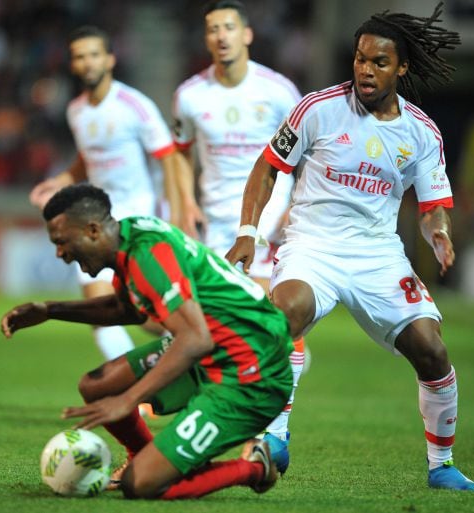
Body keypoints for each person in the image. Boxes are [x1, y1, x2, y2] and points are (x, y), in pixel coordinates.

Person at [226, 3, 474, 491]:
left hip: (377, 254)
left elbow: (432, 207)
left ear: (401, 67)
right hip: (312, 246)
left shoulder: (421, 133)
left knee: (431, 350)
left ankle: (442, 464)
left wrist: (440, 234)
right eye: (360, 59)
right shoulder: (318, 108)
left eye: (379, 62)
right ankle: (274, 436)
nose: (365, 70)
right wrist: (247, 232)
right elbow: (266, 167)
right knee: (284, 316)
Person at [0, 184, 294, 499]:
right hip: (216, 350)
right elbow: (126, 309)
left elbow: (193, 339)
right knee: (97, 386)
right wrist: (49, 310)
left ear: (93, 230)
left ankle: (254, 467)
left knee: (140, 485)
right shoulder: (130, 237)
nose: (60, 253)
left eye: (61, 242)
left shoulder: (147, 255)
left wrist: (128, 401)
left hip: (252, 375)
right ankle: (148, 456)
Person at [169, 0, 304, 473]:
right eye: (212, 29)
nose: (221, 35)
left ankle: (274, 433)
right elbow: (181, 154)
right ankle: (216, 421)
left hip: (269, 223)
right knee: (212, 331)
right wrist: (183, 204)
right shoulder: (189, 96)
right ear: (206, 39)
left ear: (247, 34)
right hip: (215, 226)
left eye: (229, 27)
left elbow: (308, 152)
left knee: (274, 323)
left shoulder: (279, 91)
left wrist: (291, 208)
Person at [28, 25, 192, 361]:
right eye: (79, 57)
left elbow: (169, 158)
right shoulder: (76, 110)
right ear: (72, 64)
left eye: (93, 55)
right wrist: (59, 180)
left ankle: (208, 341)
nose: (87, 63)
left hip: (138, 214)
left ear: (110, 59)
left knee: (145, 313)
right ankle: (135, 391)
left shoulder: (135, 105)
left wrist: (178, 215)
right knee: (103, 310)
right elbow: (87, 159)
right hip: (93, 220)